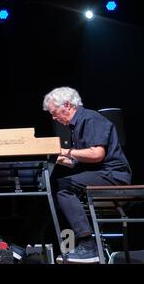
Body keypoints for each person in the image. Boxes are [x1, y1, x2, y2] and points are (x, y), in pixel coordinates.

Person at [43, 86, 132, 263]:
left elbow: (97, 154)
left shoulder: (90, 118)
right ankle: (70, 244)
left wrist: (65, 151)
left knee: (64, 187)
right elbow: (75, 161)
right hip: (101, 173)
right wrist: (50, 156)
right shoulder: (76, 126)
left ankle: (89, 245)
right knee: (55, 186)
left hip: (114, 175)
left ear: (67, 105)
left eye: (54, 112)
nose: (53, 117)